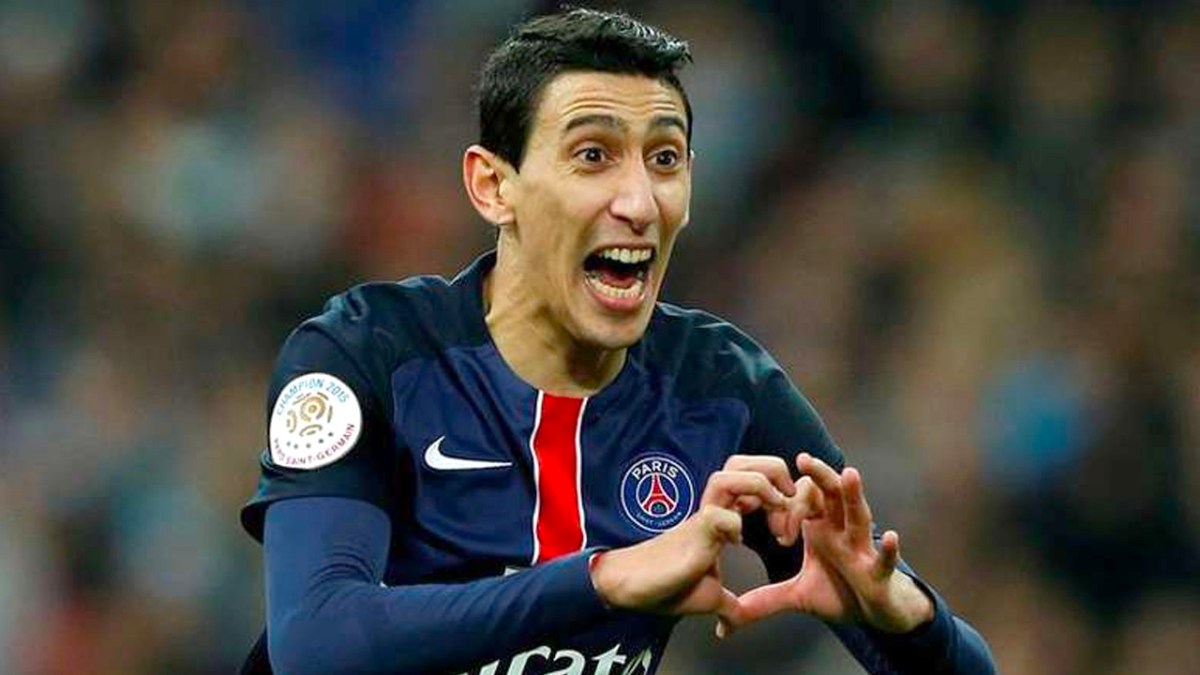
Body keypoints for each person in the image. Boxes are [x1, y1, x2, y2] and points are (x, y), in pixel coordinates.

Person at [239, 8, 996, 674]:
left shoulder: (720, 389)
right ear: (493, 186)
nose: (639, 201)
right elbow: (317, 644)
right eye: (593, 155)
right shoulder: (365, 356)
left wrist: (901, 617)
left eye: (664, 159)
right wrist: (603, 578)